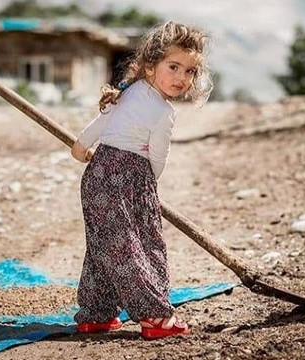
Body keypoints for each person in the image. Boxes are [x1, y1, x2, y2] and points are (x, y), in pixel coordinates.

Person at [70, 21, 212, 340]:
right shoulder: (163, 112)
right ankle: (154, 315)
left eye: (189, 71)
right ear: (150, 66)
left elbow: (102, 120)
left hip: (98, 175)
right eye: (173, 67)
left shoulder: (129, 90)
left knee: (103, 247)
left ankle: (96, 313)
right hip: (129, 179)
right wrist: (148, 187)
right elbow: (158, 158)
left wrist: (81, 146)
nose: (181, 77)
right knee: (137, 246)